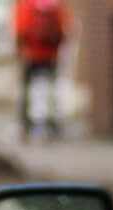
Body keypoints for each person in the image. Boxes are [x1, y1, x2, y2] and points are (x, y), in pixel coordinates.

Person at [13, 0, 69, 138]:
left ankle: (25, 126)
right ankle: (52, 125)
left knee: (26, 91)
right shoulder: (55, 6)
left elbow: (20, 31)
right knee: (52, 90)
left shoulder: (25, 5)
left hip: (30, 55)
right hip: (51, 55)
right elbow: (64, 31)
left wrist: (21, 52)